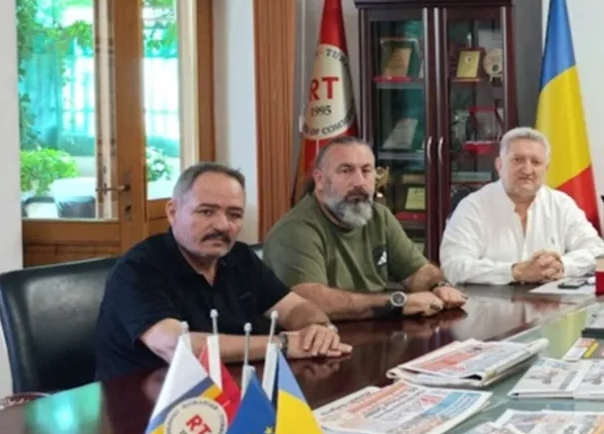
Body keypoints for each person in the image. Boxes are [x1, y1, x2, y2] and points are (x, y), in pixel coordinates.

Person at [95, 163, 347, 381]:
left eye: (234, 215)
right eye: (206, 212)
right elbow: (177, 346)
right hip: (145, 405)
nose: (222, 225)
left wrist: (319, 328)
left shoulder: (239, 257)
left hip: (228, 391)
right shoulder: (138, 268)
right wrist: (283, 344)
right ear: (173, 212)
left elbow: (293, 308)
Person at [263, 136, 468, 321]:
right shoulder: (295, 230)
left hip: (378, 330)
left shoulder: (379, 216)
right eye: (346, 171)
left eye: (366, 170)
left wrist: (438, 285)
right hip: (323, 339)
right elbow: (310, 302)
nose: (359, 182)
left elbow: (416, 271)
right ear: (320, 180)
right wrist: (396, 302)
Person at [439, 127, 604, 285]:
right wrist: (515, 271)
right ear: (499, 165)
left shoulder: (561, 204)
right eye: (518, 160)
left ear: (546, 169)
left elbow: (596, 249)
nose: (527, 170)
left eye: (536, 162)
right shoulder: (473, 207)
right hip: (488, 303)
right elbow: (453, 265)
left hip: (550, 301)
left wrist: (561, 265)